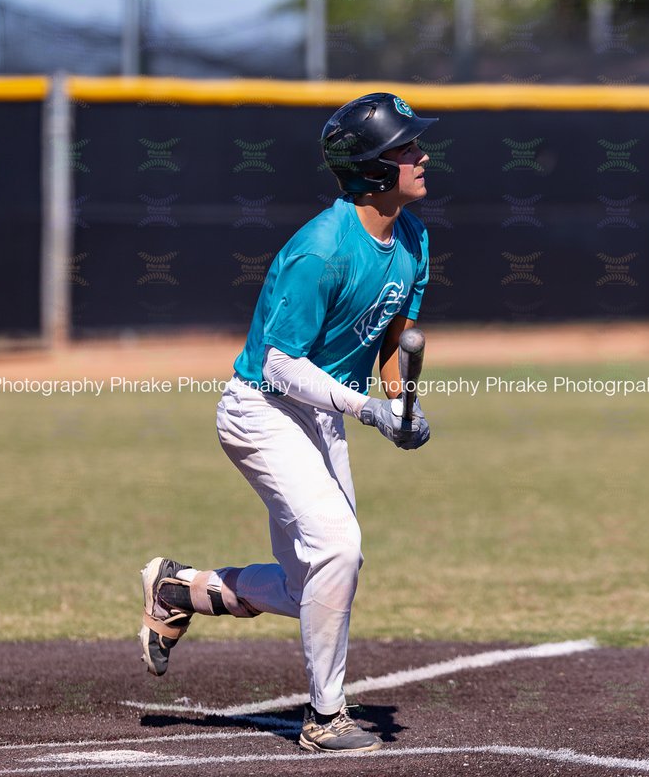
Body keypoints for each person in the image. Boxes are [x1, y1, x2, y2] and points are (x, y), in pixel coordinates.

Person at [137, 93, 434, 753]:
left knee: (313, 588)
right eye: (407, 148)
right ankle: (326, 717)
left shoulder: (413, 239)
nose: (423, 155)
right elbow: (278, 364)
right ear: (373, 168)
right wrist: (369, 410)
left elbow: (396, 338)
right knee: (338, 548)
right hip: (262, 411)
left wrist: (403, 407)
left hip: (320, 417)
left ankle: (178, 589)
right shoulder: (321, 251)